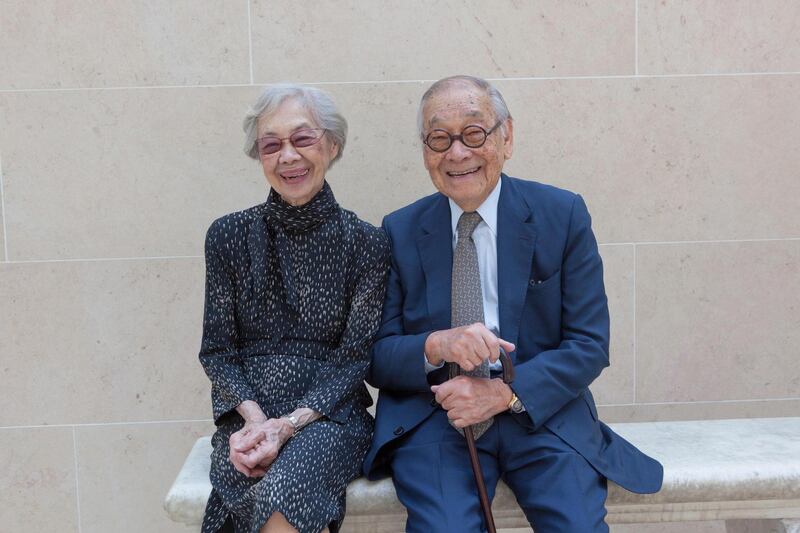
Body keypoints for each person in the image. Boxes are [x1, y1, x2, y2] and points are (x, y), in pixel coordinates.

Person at [364, 75, 663, 532]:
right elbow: (379, 357)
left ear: (507, 138)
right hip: (439, 418)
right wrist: (437, 345)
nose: (457, 153)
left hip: (539, 413)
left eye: (474, 133)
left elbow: (588, 344)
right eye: (439, 138)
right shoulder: (400, 229)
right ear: (425, 151)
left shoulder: (562, 214)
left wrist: (504, 393)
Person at [199, 84, 389, 533]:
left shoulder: (366, 243)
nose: (288, 156)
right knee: (253, 479)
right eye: (272, 144)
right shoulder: (227, 236)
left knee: (285, 496)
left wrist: (288, 425)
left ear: (332, 144)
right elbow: (217, 352)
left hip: (331, 417)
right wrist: (258, 422)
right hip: (247, 418)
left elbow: (354, 359)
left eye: (302, 139)